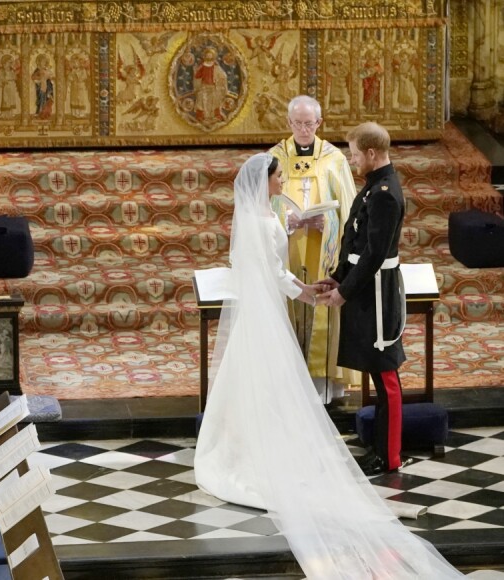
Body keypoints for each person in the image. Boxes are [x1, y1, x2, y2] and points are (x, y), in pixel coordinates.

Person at [194, 152, 483, 579]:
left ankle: (244, 444)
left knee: (253, 379)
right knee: (266, 379)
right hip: (270, 307)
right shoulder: (261, 220)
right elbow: (272, 271)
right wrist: (308, 293)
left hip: (263, 309)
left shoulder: (256, 217)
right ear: (265, 180)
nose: (281, 181)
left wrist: (303, 282)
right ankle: (254, 451)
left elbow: (256, 265)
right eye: (277, 177)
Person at [316, 122, 406, 477]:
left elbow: (374, 254)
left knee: (386, 376)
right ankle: (381, 449)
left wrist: (344, 291)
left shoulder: (384, 192)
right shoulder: (373, 187)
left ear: (371, 153)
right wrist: (337, 277)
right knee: (375, 370)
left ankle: (391, 455)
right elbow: (354, 243)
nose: (353, 161)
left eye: (354, 154)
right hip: (364, 287)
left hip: (377, 293)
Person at [270, 95, 360, 403]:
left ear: (319, 123)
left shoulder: (333, 158)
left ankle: (323, 386)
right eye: (298, 123)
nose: (304, 129)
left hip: (325, 251)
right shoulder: (275, 157)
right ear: (289, 123)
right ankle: (287, 384)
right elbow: (265, 205)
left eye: (310, 123)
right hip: (289, 249)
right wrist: (288, 220)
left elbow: (348, 209)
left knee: (322, 309)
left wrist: (330, 223)